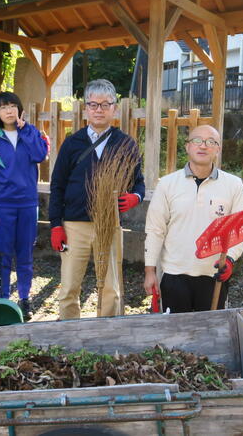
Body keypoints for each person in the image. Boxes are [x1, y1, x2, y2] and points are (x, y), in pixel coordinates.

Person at [48, 79, 145, 320]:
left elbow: (139, 181)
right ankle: (70, 335)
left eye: (105, 104)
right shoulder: (72, 143)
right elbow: (58, 185)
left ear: (114, 108)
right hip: (74, 224)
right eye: (93, 104)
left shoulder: (126, 143)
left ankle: (108, 332)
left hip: (110, 224)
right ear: (86, 108)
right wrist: (56, 225)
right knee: (69, 286)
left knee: (111, 287)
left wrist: (136, 196)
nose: (99, 109)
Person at [143, 125, 243, 313]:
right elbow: (155, 229)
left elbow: (242, 228)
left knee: (210, 336)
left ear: (218, 149)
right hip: (174, 274)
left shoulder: (233, 185)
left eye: (211, 142)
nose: (203, 146)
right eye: (197, 140)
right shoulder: (167, 184)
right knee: (175, 337)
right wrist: (150, 271)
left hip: (214, 276)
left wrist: (230, 260)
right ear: (187, 146)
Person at [0, 92, 49, 320]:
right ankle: (3, 298)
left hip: (28, 203)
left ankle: (24, 297)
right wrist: (2, 187)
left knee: (25, 252)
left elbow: (41, 154)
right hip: (2, 204)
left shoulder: (32, 133)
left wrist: (26, 130)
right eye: (3, 107)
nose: (9, 111)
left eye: (13, 106)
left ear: (20, 109)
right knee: (2, 252)